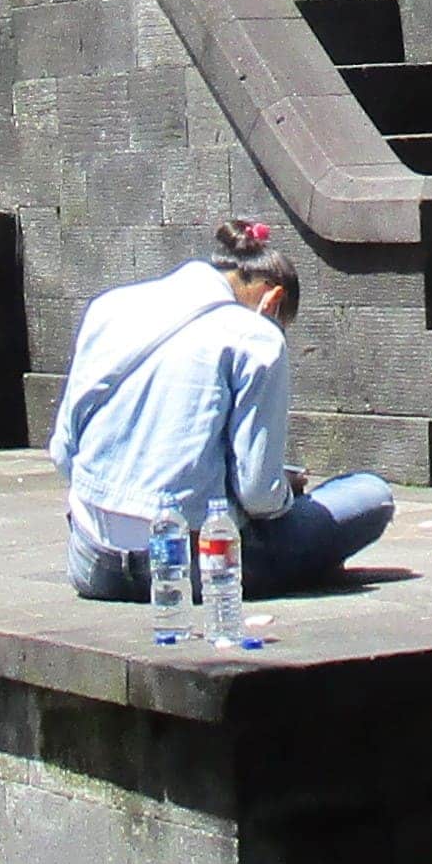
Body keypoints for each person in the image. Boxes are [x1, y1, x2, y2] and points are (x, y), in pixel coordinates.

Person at [48, 217, 396, 602]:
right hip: (195, 566)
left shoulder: (107, 308)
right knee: (371, 496)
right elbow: (258, 496)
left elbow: (64, 454)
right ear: (272, 300)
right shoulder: (257, 337)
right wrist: (284, 493)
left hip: (92, 563)